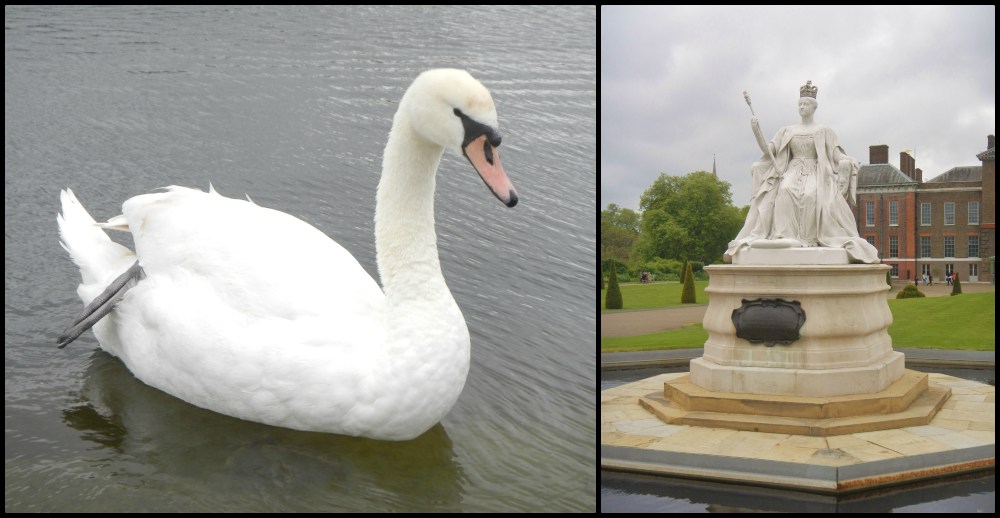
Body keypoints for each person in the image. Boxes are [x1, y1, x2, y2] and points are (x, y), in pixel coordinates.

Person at [725, 81, 879, 264]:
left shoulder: (824, 131)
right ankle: (783, 236)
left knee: (810, 194)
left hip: (815, 170)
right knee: (784, 190)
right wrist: (756, 132)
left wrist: (847, 160)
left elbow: (837, 155)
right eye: (800, 104)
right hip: (792, 169)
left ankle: (808, 239)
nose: (802, 107)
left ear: (814, 107)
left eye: (805, 104)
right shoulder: (787, 130)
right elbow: (768, 151)